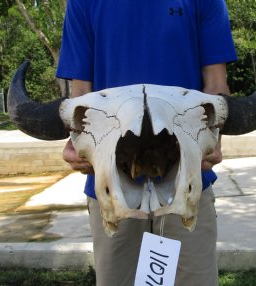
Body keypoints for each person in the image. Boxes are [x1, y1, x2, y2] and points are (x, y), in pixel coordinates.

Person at [56, 0, 237, 285]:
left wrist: (213, 141)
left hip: (187, 177)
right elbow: (81, 91)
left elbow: (216, 86)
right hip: (112, 184)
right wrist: (79, 140)